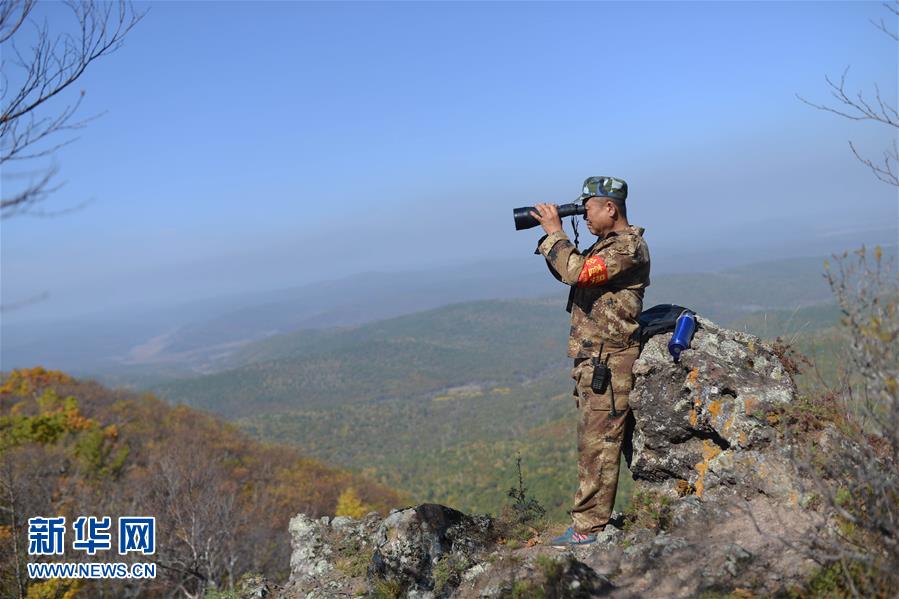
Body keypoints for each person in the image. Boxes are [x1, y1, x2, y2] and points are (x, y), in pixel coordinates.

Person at [529, 175, 651, 547]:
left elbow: (578, 271)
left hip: (610, 363)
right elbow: (574, 273)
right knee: (592, 441)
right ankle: (590, 523)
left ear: (610, 208)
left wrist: (555, 231)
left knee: (598, 446)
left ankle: (588, 529)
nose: (584, 216)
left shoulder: (627, 248)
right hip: (595, 362)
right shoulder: (607, 245)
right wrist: (552, 237)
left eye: (588, 209)